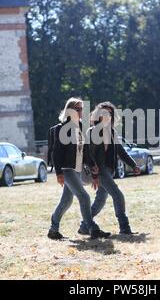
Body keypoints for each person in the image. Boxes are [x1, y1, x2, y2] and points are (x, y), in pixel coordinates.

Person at [48, 97, 111, 240]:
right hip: (66, 169)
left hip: (77, 169)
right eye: (77, 109)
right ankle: (92, 228)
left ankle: (53, 230)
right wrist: (58, 172)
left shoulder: (81, 126)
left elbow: (85, 150)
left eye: (81, 108)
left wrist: (91, 164)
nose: (81, 111)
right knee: (84, 197)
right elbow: (56, 153)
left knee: (66, 201)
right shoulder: (63, 128)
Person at [78, 102, 141, 236]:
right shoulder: (93, 131)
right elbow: (88, 154)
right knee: (118, 195)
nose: (108, 116)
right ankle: (125, 227)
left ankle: (84, 226)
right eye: (104, 113)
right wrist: (94, 175)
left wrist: (133, 164)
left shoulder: (112, 132)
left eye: (110, 113)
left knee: (100, 200)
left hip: (109, 170)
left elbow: (121, 151)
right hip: (99, 171)